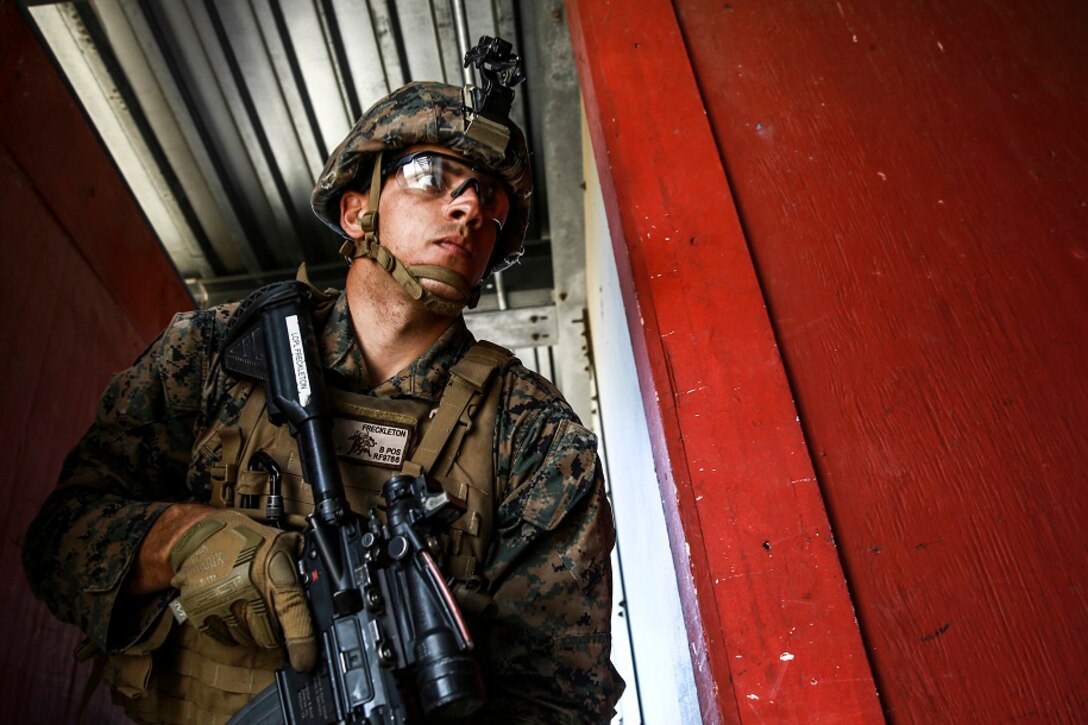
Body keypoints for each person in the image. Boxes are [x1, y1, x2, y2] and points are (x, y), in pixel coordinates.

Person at [23, 79, 623, 723]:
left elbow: (560, 700)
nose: (469, 209)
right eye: (429, 176)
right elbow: (58, 540)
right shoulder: (218, 352)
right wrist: (181, 541)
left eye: (491, 200)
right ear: (355, 210)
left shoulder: (534, 436)